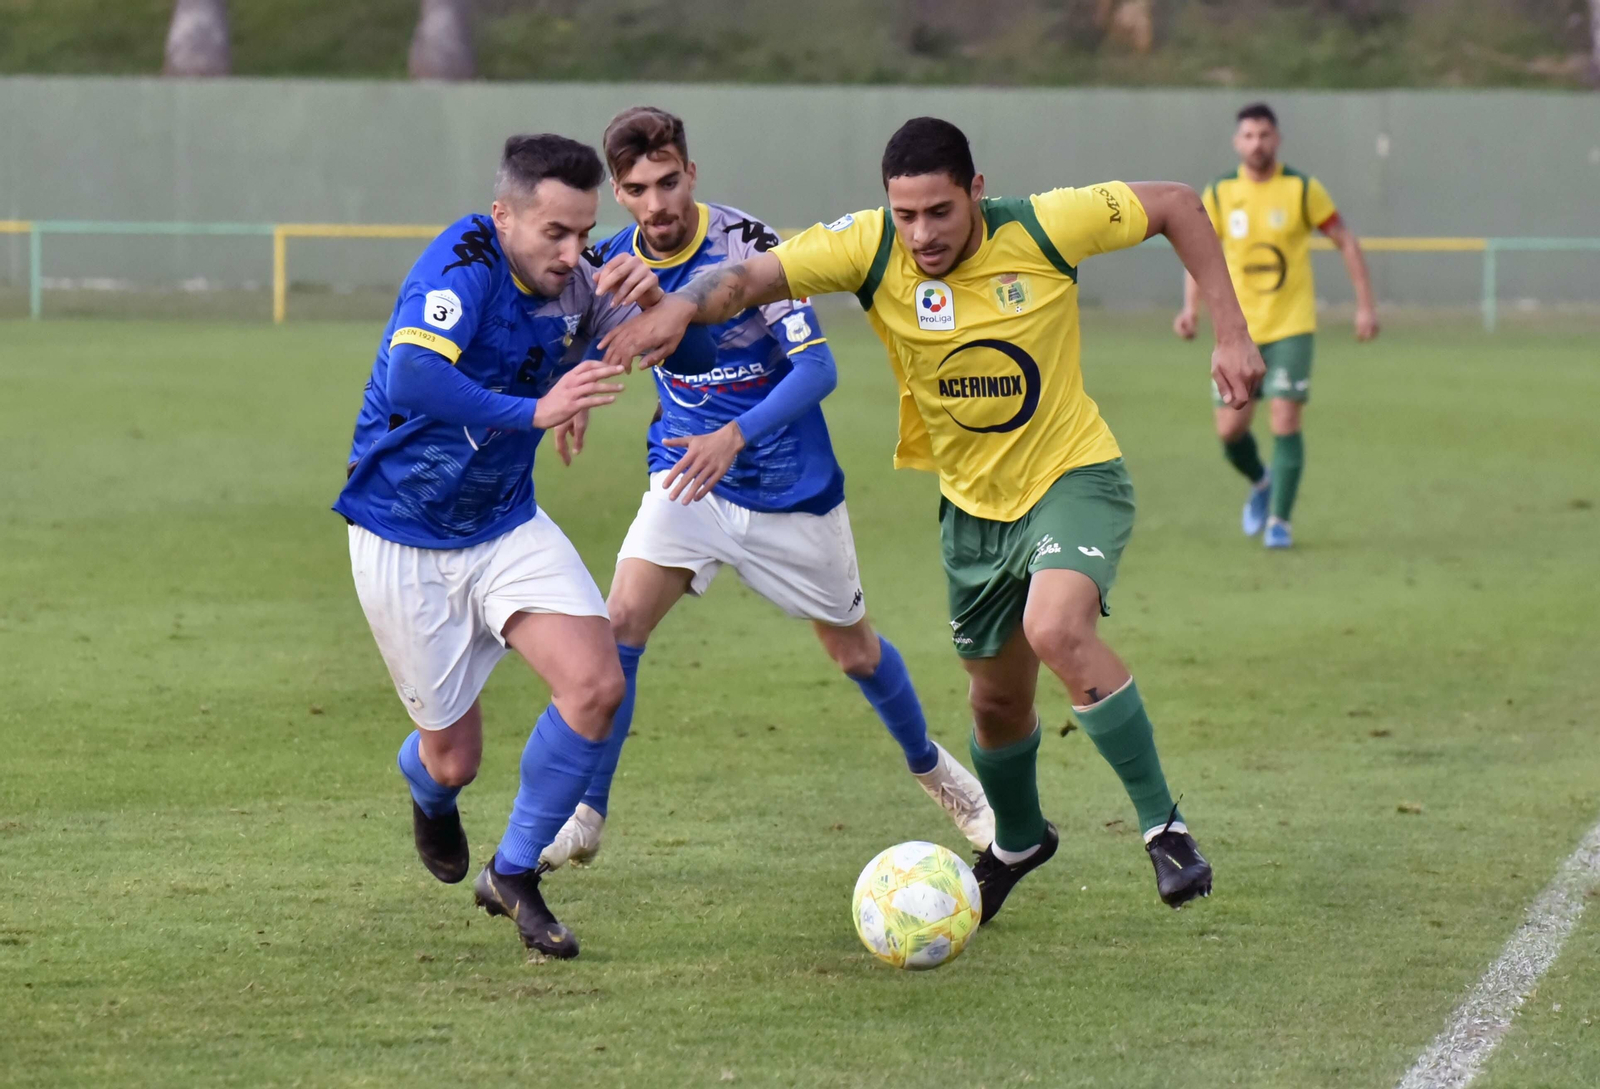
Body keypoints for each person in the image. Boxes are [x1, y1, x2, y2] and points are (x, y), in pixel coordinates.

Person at [599, 117, 1266, 918]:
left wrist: (1232, 331)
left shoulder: (1046, 225)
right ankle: (1018, 841)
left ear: (976, 190)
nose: (922, 234)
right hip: (971, 509)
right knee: (995, 704)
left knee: (1056, 628)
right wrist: (680, 306)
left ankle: (1165, 828)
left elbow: (1178, 204)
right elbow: (746, 280)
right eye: (906, 213)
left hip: (1072, 475)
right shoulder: (870, 245)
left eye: (940, 211)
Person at [539, 107, 993, 869]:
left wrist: (735, 435)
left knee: (854, 651)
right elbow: (586, 333)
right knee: (619, 623)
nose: (658, 203)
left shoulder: (748, 247)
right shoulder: (609, 258)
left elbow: (818, 369)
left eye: (669, 181)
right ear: (618, 192)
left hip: (789, 487)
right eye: (639, 189)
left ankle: (936, 771)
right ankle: (586, 810)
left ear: (692, 173)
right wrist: (575, 388)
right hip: (686, 476)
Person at [334, 133, 661, 961]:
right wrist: (537, 410)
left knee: (596, 684)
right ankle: (430, 789)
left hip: (506, 522)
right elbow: (412, 376)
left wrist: (657, 303)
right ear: (502, 216)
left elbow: (661, 342)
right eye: (554, 233)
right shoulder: (463, 263)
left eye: (584, 231)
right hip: (403, 533)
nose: (573, 252)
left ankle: (513, 871)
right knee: (454, 759)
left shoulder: (583, 274)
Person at [1173, 101, 1378, 549]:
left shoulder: (1301, 188)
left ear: (1277, 139)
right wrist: (1190, 309)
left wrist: (1365, 305)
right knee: (1230, 430)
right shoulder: (1221, 192)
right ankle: (1262, 481)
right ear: (1237, 142)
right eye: (1249, 136)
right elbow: (1199, 254)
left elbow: (1344, 240)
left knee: (1285, 418)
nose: (1257, 144)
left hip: (1291, 327)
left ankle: (1279, 522)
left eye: (1264, 135)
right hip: (1237, 331)